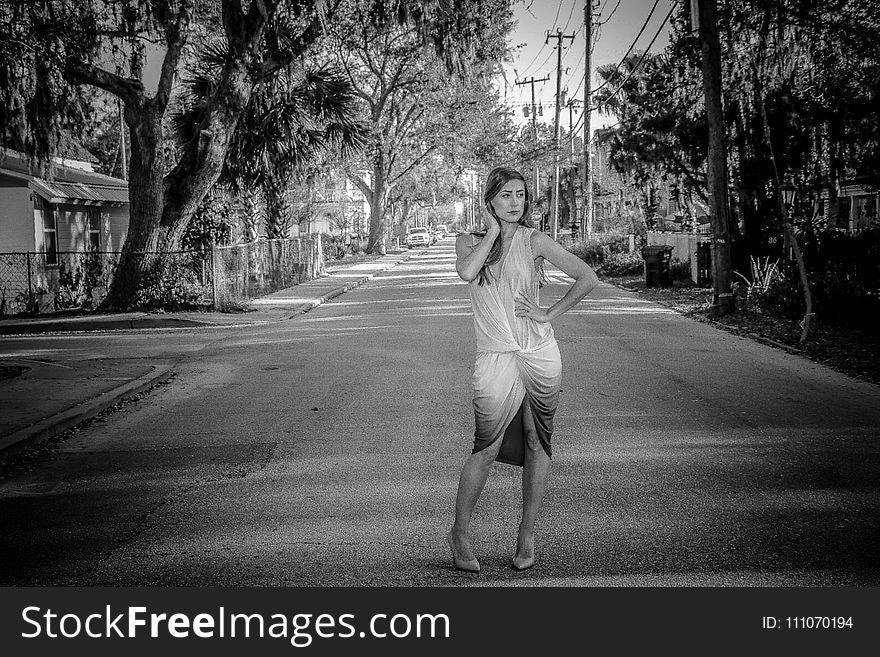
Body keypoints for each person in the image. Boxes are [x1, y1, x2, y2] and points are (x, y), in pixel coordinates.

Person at [447, 166, 599, 572]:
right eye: (506, 196)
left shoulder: (536, 240)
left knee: (537, 441)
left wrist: (548, 313)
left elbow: (588, 276)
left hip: (539, 352)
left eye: (520, 196)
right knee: (487, 445)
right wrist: (494, 233)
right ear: (490, 201)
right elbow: (466, 272)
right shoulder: (468, 241)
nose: (515, 203)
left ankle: (527, 533)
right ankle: (460, 533)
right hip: (495, 355)